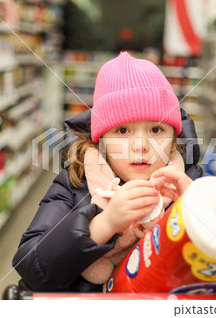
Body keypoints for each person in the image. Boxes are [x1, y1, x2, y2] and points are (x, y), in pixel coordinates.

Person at [12, 52, 204, 292]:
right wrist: (103, 224)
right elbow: (31, 267)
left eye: (156, 129)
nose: (141, 145)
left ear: (174, 138)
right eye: (123, 131)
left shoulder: (192, 183)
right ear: (100, 140)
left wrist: (196, 211)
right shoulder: (74, 185)